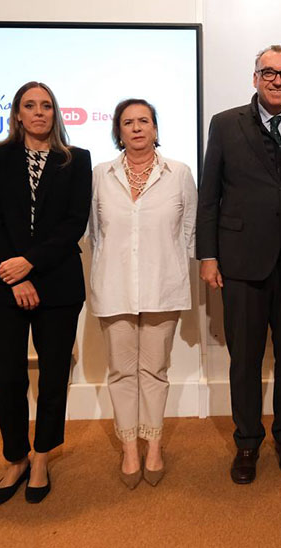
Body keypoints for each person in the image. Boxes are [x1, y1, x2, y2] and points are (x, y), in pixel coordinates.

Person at [197, 45, 281, 484]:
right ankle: (247, 443)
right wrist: (207, 255)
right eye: (269, 72)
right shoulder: (225, 124)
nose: (278, 80)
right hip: (241, 262)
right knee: (245, 359)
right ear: (255, 77)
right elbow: (209, 195)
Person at [0, 82, 91, 505]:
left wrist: (31, 263)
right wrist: (16, 273)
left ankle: (42, 456)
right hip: (3, 281)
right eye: (30, 105)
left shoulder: (76, 159)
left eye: (46, 105)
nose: (39, 112)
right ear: (18, 114)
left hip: (58, 282)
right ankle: (16, 458)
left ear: (55, 113)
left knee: (54, 374)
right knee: (6, 375)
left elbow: (74, 222)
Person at [89, 98, 197, 489]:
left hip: (162, 286)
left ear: (155, 128)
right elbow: (95, 234)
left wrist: (172, 266)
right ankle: (129, 448)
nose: (136, 128)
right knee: (121, 371)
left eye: (144, 121)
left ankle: (153, 445)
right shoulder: (100, 175)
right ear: (118, 132)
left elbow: (189, 230)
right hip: (114, 285)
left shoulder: (179, 173)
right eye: (128, 122)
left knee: (155, 370)